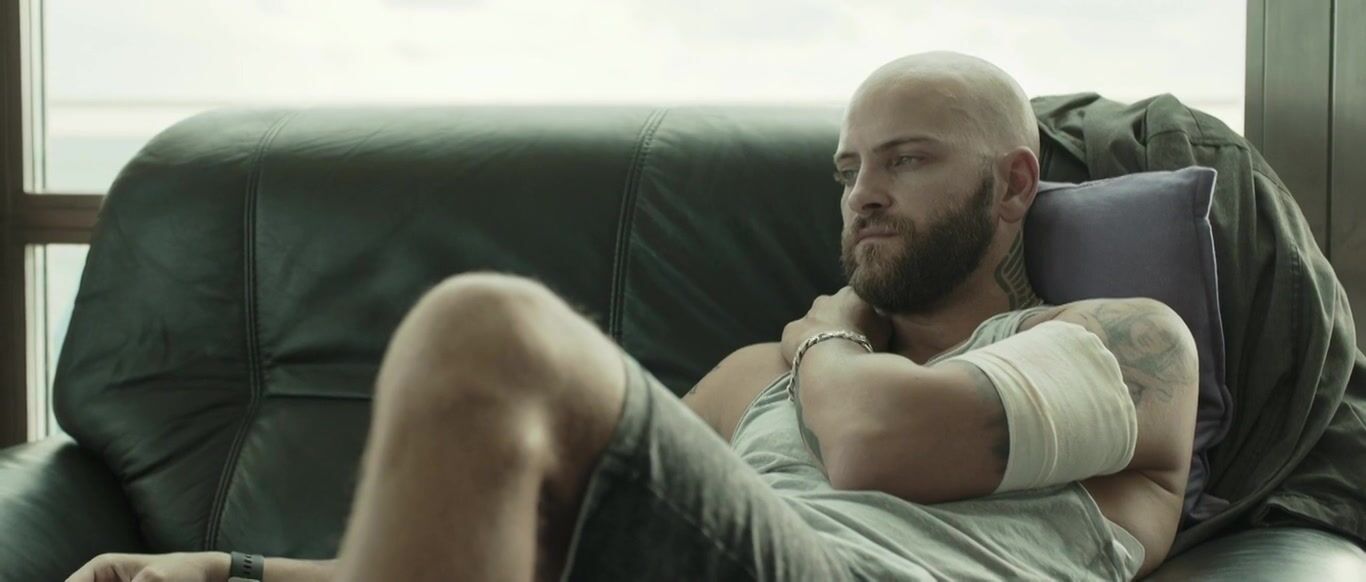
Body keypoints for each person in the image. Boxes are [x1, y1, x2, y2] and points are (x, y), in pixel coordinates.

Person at [66, 51, 1200, 582]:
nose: (862, 193)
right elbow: (530, 549)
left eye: (905, 160)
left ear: (1012, 185)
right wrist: (228, 572)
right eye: (848, 169)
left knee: (491, 337)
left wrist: (828, 327)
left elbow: (875, 439)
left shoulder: (1120, 341)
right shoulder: (751, 377)